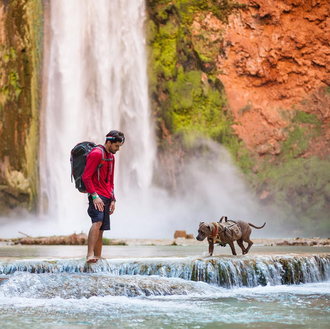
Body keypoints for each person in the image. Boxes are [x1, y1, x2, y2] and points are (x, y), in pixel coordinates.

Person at [82, 130, 125, 263]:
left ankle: (98, 257)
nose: (118, 149)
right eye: (116, 146)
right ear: (108, 142)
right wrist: (94, 196)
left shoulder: (111, 157)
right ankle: (89, 255)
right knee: (97, 222)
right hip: (97, 195)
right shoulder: (96, 154)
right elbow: (86, 177)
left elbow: (111, 180)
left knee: (102, 228)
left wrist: (113, 199)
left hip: (107, 195)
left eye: (119, 146)